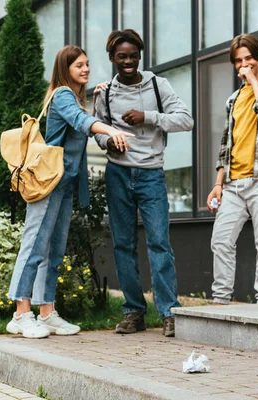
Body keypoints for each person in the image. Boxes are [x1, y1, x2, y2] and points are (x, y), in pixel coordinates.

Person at [7, 45, 133, 339]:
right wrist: (109, 130)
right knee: (35, 246)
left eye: (87, 64)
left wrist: (96, 98)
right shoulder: (62, 95)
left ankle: (47, 313)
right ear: (66, 70)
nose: (86, 69)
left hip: (63, 185)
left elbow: (80, 120)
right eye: (79, 65)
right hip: (47, 185)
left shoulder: (74, 98)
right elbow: (82, 123)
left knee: (53, 250)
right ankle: (21, 313)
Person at [93, 29, 194, 337]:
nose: (128, 61)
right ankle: (134, 312)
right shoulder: (104, 93)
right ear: (112, 58)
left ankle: (168, 312)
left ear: (140, 56)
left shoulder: (156, 84)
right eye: (122, 56)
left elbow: (186, 120)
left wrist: (148, 116)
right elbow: (97, 130)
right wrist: (108, 143)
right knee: (123, 245)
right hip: (118, 174)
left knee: (159, 244)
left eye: (133, 56)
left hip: (151, 174)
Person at [206, 34, 258, 305]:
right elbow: (225, 143)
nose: (244, 64)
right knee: (221, 241)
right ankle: (220, 300)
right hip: (232, 184)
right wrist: (218, 183)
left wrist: (255, 82)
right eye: (239, 61)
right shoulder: (232, 99)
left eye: (249, 58)